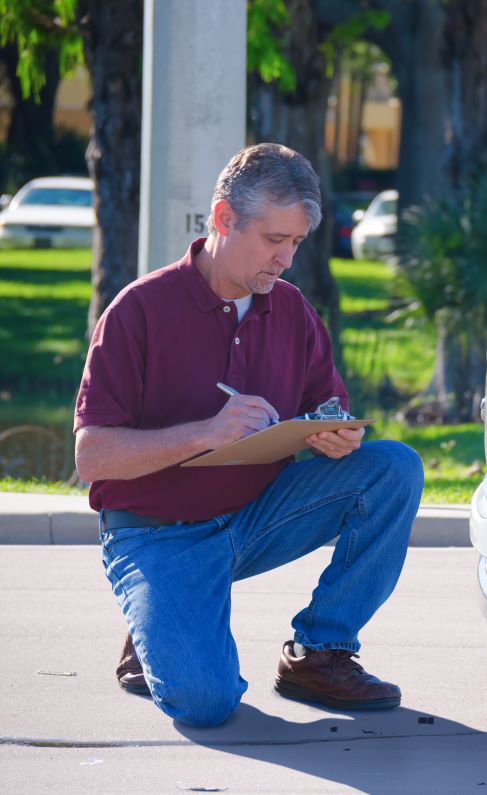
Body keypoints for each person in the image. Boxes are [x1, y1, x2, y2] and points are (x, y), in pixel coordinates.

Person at [73, 143, 422, 727]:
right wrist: (204, 434)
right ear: (223, 218)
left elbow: (325, 402)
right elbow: (92, 457)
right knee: (206, 704)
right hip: (158, 537)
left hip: (258, 517)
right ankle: (155, 622)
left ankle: (320, 652)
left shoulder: (290, 309)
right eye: (272, 239)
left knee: (393, 468)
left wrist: (332, 433)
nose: (285, 259)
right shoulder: (138, 310)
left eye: (296, 242)